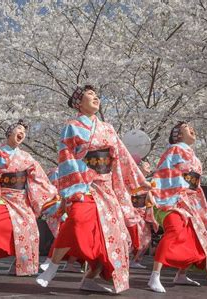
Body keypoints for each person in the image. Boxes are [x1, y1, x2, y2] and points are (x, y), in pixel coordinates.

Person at [36, 85, 151, 293]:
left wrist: (138, 181)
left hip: (106, 187)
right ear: (79, 103)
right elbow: (66, 157)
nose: (96, 97)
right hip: (85, 183)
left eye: (97, 95)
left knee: (109, 238)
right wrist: (75, 186)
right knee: (78, 220)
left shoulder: (107, 128)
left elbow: (121, 157)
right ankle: (52, 267)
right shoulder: (72, 126)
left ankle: (89, 278)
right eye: (90, 95)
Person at [0, 119, 57, 276]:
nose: (22, 133)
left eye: (24, 132)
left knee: (28, 230)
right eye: (19, 129)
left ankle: (19, 264)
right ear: (9, 133)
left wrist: (50, 191)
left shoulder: (27, 157)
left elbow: (38, 178)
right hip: (4, 196)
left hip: (21, 199)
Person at [147, 121, 207, 293]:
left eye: (192, 127)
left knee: (195, 236)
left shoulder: (196, 158)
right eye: (186, 127)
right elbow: (162, 172)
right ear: (178, 134)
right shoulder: (175, 149)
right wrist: (164, 195)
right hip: (171, 199)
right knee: (175, 230)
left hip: (189, 202)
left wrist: (201, 204)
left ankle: (181, 274)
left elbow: (195, 185)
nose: (192, 128)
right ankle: (155, 275)